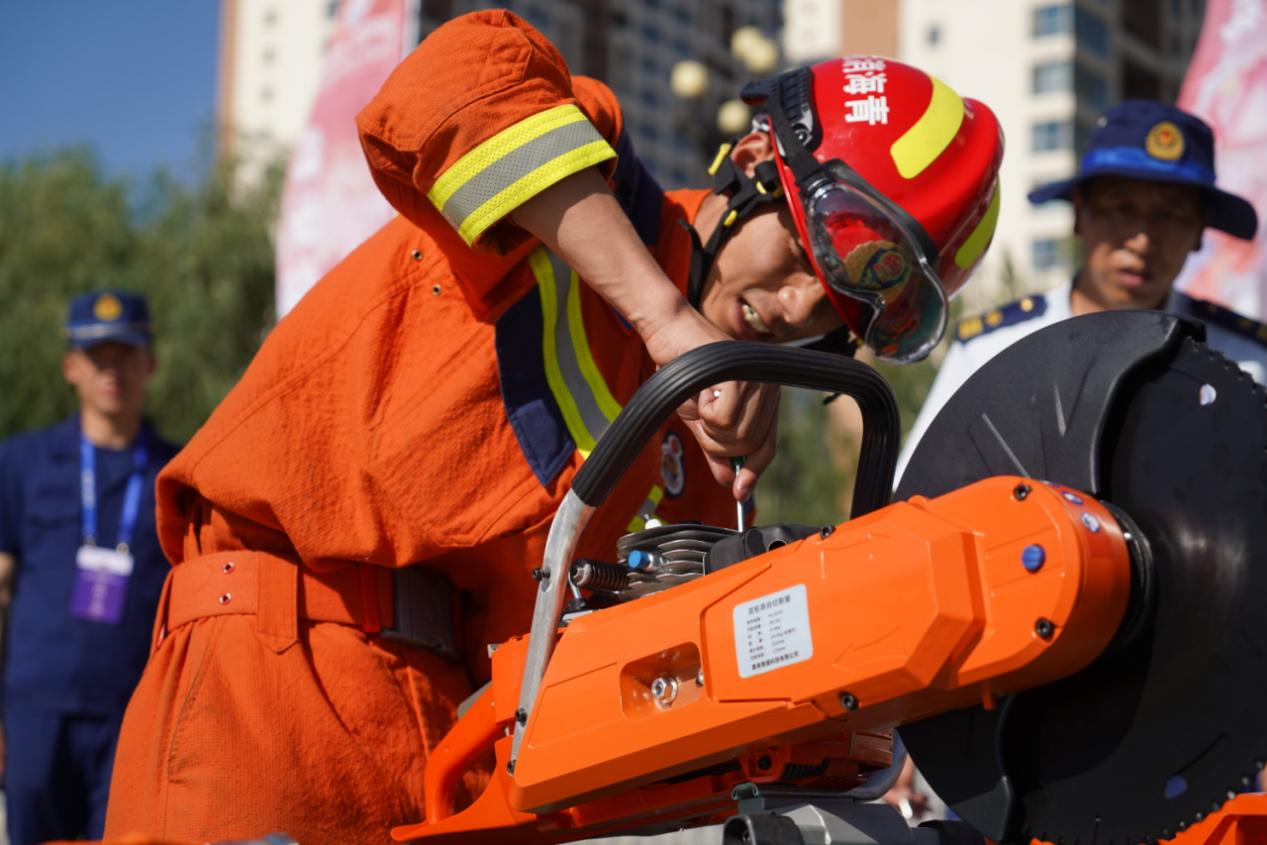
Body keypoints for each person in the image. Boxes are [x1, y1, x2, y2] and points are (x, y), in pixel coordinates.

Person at [104, 11, 1003, 842]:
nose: (799, 303)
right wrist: (664, 320)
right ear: (758, 163)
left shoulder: (700, 445)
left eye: (841, 299)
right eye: (807, 247)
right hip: (273, 672)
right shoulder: (581, 195)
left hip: (452, 731)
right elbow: (451, 77)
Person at [899, 99, 1265, 481]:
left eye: (1170, 214)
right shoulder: (990, 351)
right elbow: (917, 494)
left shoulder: (1244, 364)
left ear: (1199, 232)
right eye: (1120, 206)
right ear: (1079, 213)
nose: (1142, 239)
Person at [0, 290, 179, 844]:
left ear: (149, 362)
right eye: (97, 355)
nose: (112, 370)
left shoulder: (177, 475)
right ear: (70, 366)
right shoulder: (20, 461)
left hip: (134, 715)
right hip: (36, 709)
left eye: (125, 353)